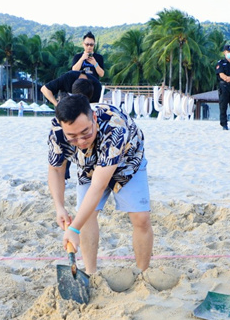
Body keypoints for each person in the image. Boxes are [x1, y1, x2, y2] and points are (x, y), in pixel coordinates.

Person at [47, 94, 152, 274]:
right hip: (88, 163)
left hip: (127, 161)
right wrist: (59, 207)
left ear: (94, 118)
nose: (81, 141)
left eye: (85, 133)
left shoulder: (115, 128)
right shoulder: (57, 130)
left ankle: (142, 274)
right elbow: (56, 169)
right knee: (86, 216)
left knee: (141, 218)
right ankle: (91, 273)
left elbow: (98, 185)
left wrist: (74, 229)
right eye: (72, 137)